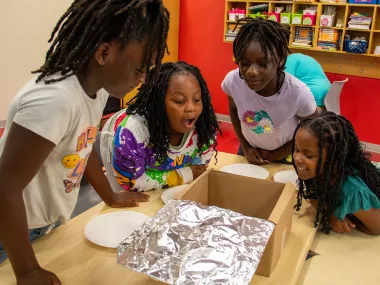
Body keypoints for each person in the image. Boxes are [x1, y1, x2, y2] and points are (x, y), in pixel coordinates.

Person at [0, 0, 169, 284]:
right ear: (104, 52)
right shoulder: (56, 100)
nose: (142, 80)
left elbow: (82, 145)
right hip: (10, 233)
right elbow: (5, 185)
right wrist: (27, 270)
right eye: (139, 69)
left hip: (42, 224)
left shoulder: (96, 89)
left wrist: (110, 196)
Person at [101, 61, 221, 192]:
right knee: (126, 196)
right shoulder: (132, 133)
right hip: (116, 138)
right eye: (179, 101)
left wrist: (180, 175)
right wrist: (184, 174)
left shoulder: (205, 129)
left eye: (197, 99)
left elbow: (198, 170)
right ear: (158, 103)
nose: (191, 108)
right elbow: (130, 182)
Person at [222, 18, 317, 166]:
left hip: (286, 156)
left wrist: (276, 155)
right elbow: (234, 109)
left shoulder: (298, 93)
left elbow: (312, 129)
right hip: (248, 151)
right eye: (245, 63)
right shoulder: (233, 82)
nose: (252, 72)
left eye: (262, 63)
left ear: (279, 60)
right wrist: (246, 147)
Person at [293, 112, 380, 235]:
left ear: (334, 160)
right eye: (296, 149)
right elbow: (314, 197)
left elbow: (377, 228)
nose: (297, 158)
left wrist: (352, 221)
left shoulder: (353, 192)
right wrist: (333, 214)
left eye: (308, 155)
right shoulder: (317, 170)